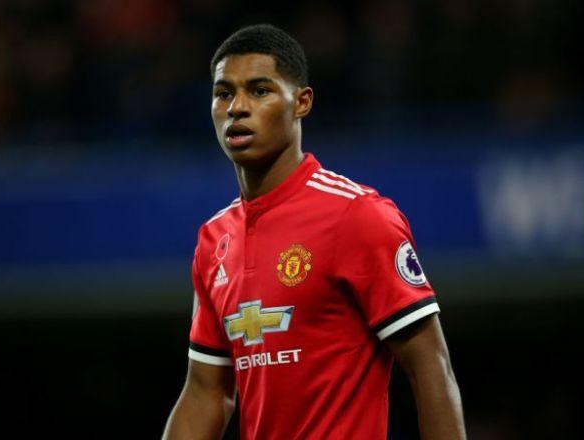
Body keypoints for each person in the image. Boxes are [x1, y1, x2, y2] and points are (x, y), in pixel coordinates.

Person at [163, 24, 466, 440]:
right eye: (224, 93)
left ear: (302, 102)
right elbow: (206, 394)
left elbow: (430, 366)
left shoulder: (356, 215)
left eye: (260, 90)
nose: (237, 107)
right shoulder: (214, 239)